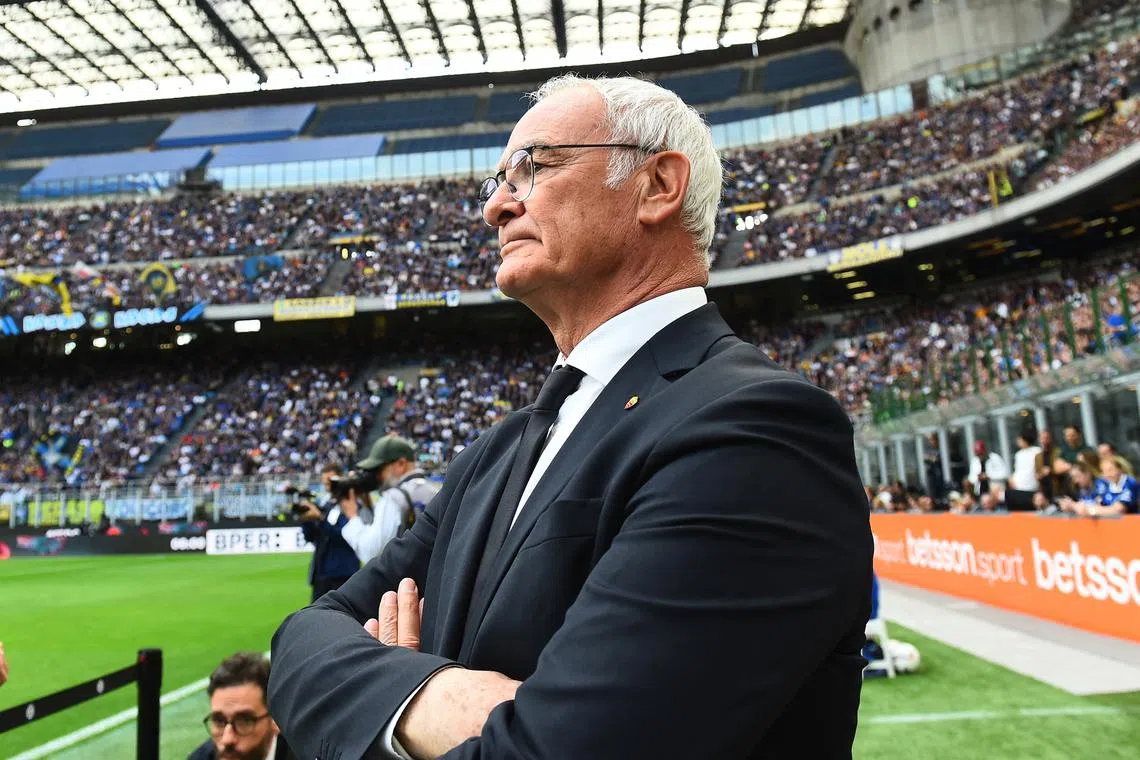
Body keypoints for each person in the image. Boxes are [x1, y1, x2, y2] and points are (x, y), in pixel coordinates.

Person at [268, 74, 872, 760]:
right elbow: (302, 637)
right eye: (499, 178)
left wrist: (377, 708)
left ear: (657, 186)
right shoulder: (501, 448)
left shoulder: (757, 430)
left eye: (533, 167)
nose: (496, 206)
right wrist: (430, 699)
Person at [339, 436, 442, 563]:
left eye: (380, 469)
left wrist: (352, 515)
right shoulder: (435, 490)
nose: (377, 476)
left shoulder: (394, 497)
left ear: (401, 464)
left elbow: (371, 553)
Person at [189, 652, 293, 760]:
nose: (227, 739)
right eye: (219, 721)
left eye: (244, 721)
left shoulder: (304, 753)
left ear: (275, 721)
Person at [297, 464, 360, 602]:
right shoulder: (326, 504)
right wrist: (306, 519)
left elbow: (346, 535)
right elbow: (313, 537)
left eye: (330, 481)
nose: (327, 485)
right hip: (322, 573)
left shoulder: (351, 505)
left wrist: (320, 518)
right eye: (325, 482)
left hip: (343, 573)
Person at [1006, 430, 1042, 511]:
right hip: (1018, 487)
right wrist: (1012, 479)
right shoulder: (1018, 454)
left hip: (1031, 488)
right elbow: (1017, 470)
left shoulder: (1037, 451)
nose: (1018, 441)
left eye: (1019, 439)